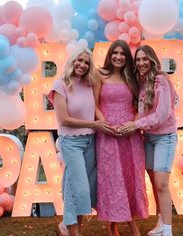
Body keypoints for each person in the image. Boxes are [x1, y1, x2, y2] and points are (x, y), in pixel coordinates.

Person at [48, 48, 112, 236]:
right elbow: (64, 119)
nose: (82, 65)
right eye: (79, 60)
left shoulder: (89, 84)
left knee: (84, 188)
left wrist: (106, 125)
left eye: (86, 63)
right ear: (72, 61)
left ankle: (71, 228)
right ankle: (73, 230)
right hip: (71, 142)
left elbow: (96, 108)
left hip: (90, 141)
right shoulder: (60, 85)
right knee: (80, 188)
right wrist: (95, 124)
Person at [119, 45, 177, 236]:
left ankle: (167, 231)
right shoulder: (142, 82)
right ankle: (161, 223)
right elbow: (142, 111)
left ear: (152, 60)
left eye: (145, 59)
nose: (142, 63)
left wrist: (136, 125)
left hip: (164, 138)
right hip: (149, 138)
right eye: (138, 60)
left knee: (161, 184)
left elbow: (162, 114)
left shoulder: (161, 80)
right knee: (154, 183)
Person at [94, 40, 149, 236]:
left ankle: (117, 223)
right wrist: (104, 124)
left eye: (122, 54)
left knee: (130, 178)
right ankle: (126, 226)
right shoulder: (100, 74)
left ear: (127, 57)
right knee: (113, 179)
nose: (118, 57)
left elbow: (139, 105)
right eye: (115, 53)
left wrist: (133, 124)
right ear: (110, 55)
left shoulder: (133, 77)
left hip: (130, 134)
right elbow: (94, 104)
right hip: (108, 134)